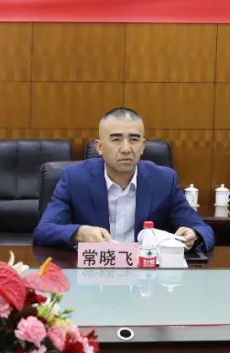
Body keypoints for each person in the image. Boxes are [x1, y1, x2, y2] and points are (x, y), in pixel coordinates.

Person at [33, 107, 214, 251]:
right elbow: (43, 231)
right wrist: (79, 233)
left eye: (134, 140)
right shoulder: (74, 179)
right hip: (94, 276)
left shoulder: (164, 180)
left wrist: (193, 234)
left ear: (143, 146)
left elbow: (203, 230)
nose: (126, 149)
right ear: (99, 147)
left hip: (146, 277)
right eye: (116, 140)